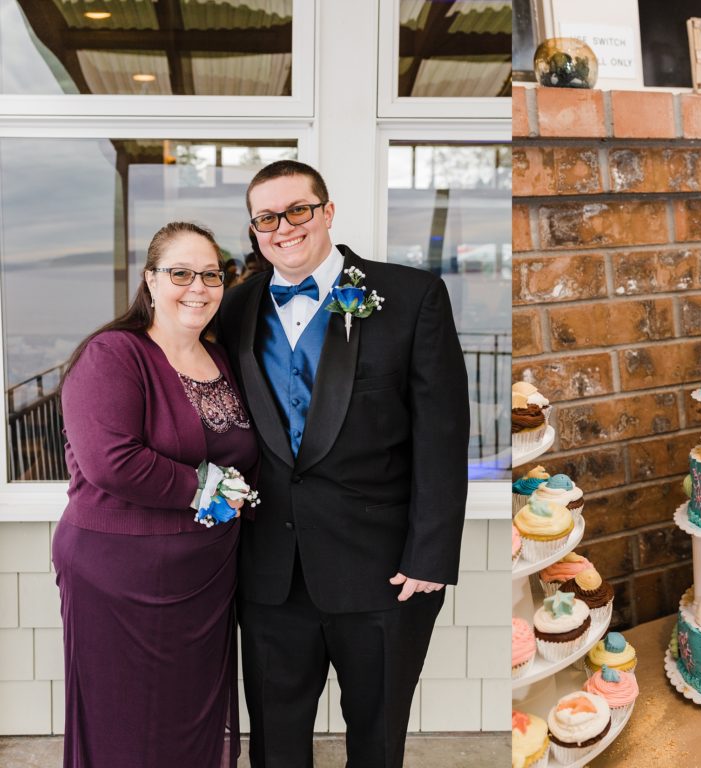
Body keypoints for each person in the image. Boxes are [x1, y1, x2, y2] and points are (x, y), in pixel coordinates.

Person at [216, 160, 469, 768]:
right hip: (270, 576)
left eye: (298, 210)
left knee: (377, 741)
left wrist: (429, 556)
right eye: (266, 218)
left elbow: (442, 435)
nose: (284, 227)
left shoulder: (411, 297)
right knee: (275, 743)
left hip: (383, 573)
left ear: (327, 212)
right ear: (254, 231)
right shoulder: (232, 308)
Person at [52, 222, 259, 768]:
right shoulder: (113, 354)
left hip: (205, 578)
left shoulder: (222, 359)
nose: (198, 286)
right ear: (150, 280)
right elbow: (110, 462)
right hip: (120, 575)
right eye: (181, 273)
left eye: (211, 274)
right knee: (126, 721)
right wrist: (206, 488)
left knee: (189, 717)